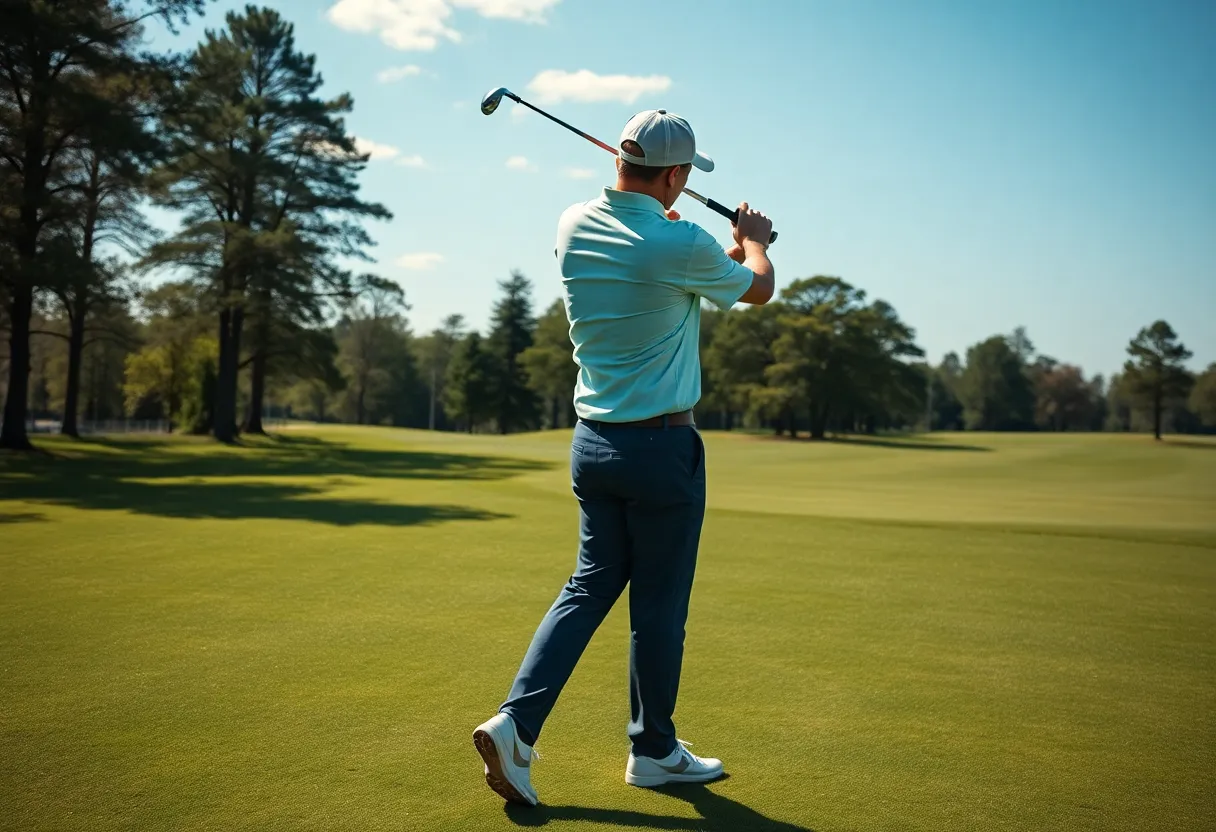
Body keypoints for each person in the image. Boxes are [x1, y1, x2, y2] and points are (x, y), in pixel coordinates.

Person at [472, 108, 775, 807]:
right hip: (662, 450)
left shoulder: (573, 224)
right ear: (674, 175)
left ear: (618, 158)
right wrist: (754, 243)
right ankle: (654, 751)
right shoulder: (682, 242)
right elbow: (758, 287)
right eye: (683, 176)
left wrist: (713, 250)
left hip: (594, 446)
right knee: (659, 606)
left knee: (588, 588)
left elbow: (672, 271)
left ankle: (516, 725)